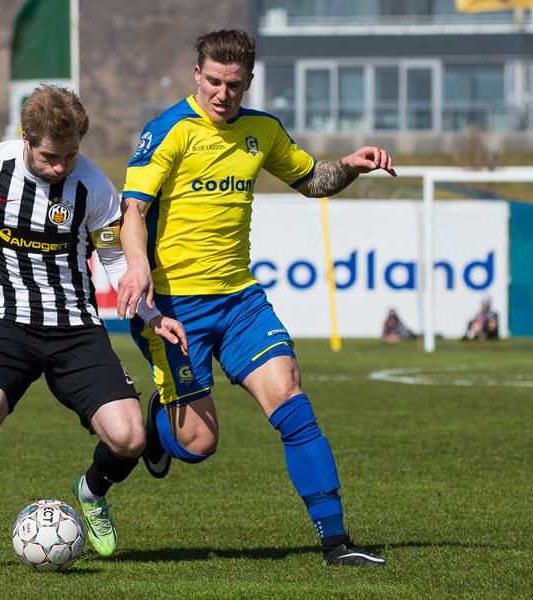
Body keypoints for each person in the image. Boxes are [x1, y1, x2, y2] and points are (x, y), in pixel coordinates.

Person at [115, 29, 396, 567]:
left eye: (235, 85)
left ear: (248, 81)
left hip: (240, 301)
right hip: (175, 307)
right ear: (197, 75)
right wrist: (136, 264)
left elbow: (312, 180)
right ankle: (157, 426)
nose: (223, 94)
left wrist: (350, 166)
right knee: (198, 443)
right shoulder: (169, 131)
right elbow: (133, 212)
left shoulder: (262, 130)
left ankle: (336, 543)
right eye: (214, 82)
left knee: (291, 399)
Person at [0, 85, 187, 573]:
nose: (61, 166)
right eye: (50, 156)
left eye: (70, 155)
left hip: (76, 330)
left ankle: (92, 492)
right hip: (8, 327)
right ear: (25, 139)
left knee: (131, 438)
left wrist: (151, 315)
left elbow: (114, 259)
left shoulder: (94, 187)